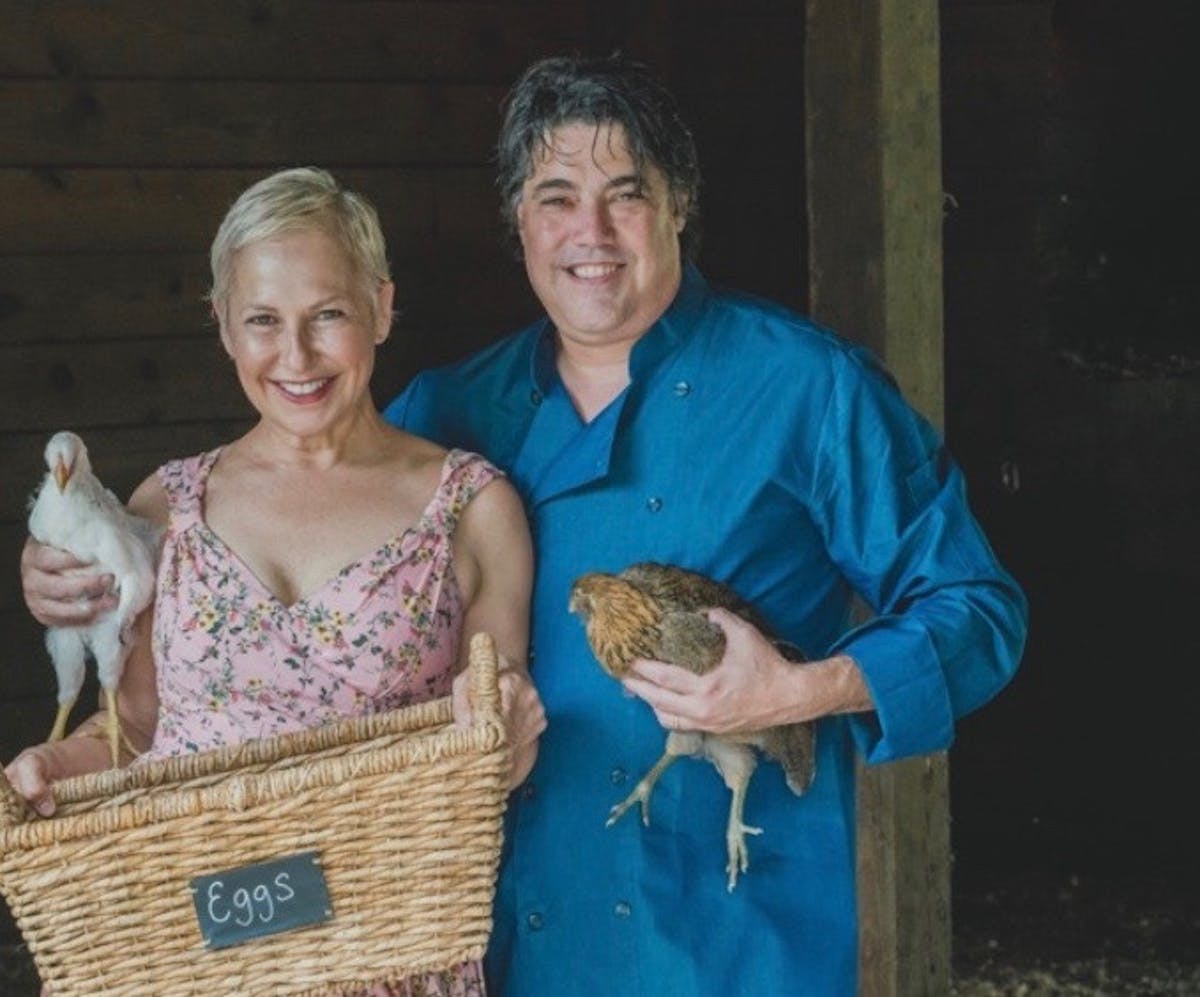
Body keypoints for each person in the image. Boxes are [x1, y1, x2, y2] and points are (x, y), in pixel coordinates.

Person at [20, 55, 1028, 995]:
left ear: (679, 203)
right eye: (556, 199)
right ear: (519, 222)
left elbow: (978, 610)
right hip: (496, 936)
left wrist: (799, 686)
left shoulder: (808, 389)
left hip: (727, 931)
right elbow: (275, 584)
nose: (590, 233)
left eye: (625, 194)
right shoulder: (448, 415)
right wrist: (75, 569)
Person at [8, 167, 545, 997]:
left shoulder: (472, 507)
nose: (295, 356)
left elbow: (493, 741)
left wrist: (504, 732)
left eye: (327, 314)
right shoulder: (167, 506)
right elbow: (137, 729)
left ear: (382, 307)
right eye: (263, 320)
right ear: (223, 325)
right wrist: (50, 762)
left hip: (384, 956)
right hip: (182, 957)